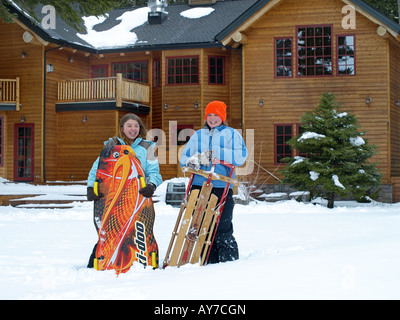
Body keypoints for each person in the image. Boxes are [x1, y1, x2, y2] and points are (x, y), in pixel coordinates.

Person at [86, 113, 162, 268]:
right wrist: (90, 186)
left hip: (138, 195)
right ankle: (101, 259)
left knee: (136, 228)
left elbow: (154, 172)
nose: (133, 129)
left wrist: (152, 185)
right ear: (122, 128)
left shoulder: (147, 147)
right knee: (109, 229)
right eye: (129, 126)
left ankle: (141, 259)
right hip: (111, 195)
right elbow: (96, 168)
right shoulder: (111, 146)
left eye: (136, 126)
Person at [180, 100, 248, 264]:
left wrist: (218, 152)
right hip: (199, 185)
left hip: (221, 185)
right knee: (202, 224)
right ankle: (207, 261)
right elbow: (184, 158)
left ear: (222, 117)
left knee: (222, 225)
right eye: (209, 115)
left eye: (216, 115)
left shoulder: (232, 134)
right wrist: (192, 160)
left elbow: (241, 157)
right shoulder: (198, 135)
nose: (212, 118)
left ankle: (228, 261)